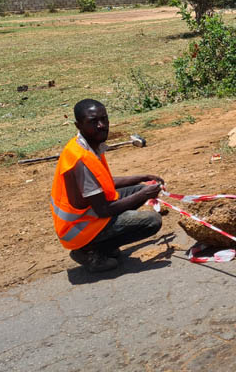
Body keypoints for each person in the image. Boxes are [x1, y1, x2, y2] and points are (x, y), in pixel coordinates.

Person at [50, 99, 164, 271]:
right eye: (93, 121)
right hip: (79, 229)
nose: (101, 125)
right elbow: (103, 210)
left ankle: (104, 244)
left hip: (88, 214)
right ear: (78, 125)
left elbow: (104, 182)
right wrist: (144, 195)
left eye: (104, 119)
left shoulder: (86, 145)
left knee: (140, 189)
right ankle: (89, 250)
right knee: (151, 221)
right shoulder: (81, 159)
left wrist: (142, 177)